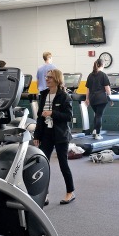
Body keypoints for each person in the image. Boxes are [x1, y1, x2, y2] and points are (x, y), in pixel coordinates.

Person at [33, 69, 75, 205]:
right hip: (46, 134)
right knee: (44, 164)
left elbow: (68, 117)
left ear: (57, 79)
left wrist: (52, 113)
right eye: (46, 77)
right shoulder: (44, 94)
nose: (47, 79)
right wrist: (37, 135)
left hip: (60, 134)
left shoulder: (64, 96)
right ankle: (44, 194)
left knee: (63, 164)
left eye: (50, 77)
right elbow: (40, 117)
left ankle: (70, 192)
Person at [85, 58, 111, 140]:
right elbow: (107, 89)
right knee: (99, 116)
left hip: (92, 99)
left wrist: (87, 99)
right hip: (101, 99)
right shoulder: (103, 75)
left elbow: (88, 89)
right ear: (102, 65)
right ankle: (98, 133)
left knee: (96, 115)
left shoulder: (90, 75)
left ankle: (94, 130)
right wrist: (111, 98)